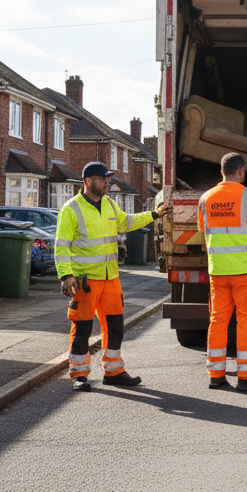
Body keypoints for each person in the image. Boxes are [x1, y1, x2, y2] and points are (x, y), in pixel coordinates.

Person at [56, 161, 158, 392]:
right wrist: (65, 276)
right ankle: (79, 374)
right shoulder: (71, 209)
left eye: (108, 179)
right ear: (88, 181)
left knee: (114, 327)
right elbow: (61, 247)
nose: (107, 183)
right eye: (103, 179)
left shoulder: (110, 204)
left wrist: (153, 214)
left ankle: (114, 371)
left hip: (110, 278)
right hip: (85, 281)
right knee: (82, 328)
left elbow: (127, 222)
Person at [198, 153, 247, 391]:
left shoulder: (206, 198)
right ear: (240, 171)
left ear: (222, 172)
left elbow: (203, 229)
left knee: (218, 320)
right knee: (245, 322)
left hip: (218, 271)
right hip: (246, 272)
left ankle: (216, 375)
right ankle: (246, 377)